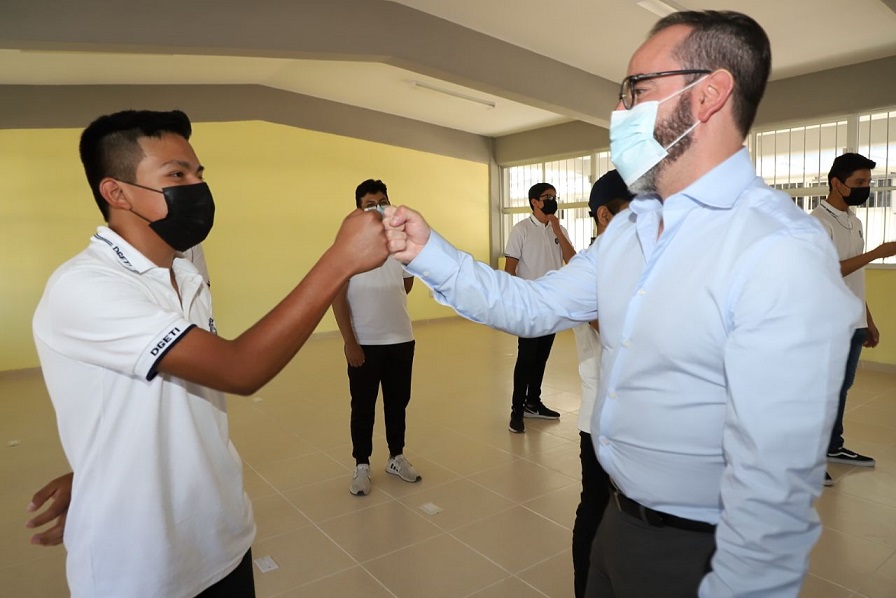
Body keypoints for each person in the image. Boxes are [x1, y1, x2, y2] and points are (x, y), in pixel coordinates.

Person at [381, 10, 861, 597]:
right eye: (620, 93)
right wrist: (427, 252)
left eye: (638, 90)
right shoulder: (629, 233)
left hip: (698, 550)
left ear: (710, 95)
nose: (619, 113)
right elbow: (529, 305)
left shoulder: (776, 249)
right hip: (616, 515)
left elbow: (777, 484)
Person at [31, 109, 388, 597]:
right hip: (141, 569)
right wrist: (339, 261)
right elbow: (239, 369)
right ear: (115, 193)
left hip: (222, 543)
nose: (196, 187)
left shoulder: (187, 275)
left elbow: (159, 394)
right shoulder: (84, 286)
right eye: (176, 174)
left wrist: (102, 465)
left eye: (199, 174)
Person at [810, 153, 896, 485]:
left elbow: (853, 278)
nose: (865, 188)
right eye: (859, 183)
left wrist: (867, 320)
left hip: (853, 322)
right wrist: (877, 253)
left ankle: (833, 446)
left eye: (868, 183)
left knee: (841, 389)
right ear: (837, 183)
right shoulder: (817, 222)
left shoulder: (855, 221)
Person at [332, 179, 421, 496]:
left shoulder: (400, 243)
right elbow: (337, 297)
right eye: (370, 203)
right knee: (363, 406)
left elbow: (406, 284)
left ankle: (396, 457)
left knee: (398, 403)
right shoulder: (346, 246)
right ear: (359, 210)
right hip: (364, 343)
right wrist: (350, 342)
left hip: (400, 338)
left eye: (383, 201)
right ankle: (361, 465)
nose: (378, 207)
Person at [571, 170, 632, 598]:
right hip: (602, 421)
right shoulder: (591, 269)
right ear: (605, 216)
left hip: (641, 419)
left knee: (632, 515)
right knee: (596, 508)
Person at [504, 182, 576, 433]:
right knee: (526, 358)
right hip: (529, 305)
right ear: (534, 201)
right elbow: (510, 269)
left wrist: (557, 228)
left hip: (552, 304)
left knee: (541, 357)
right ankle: (517, 411)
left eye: (555, 197)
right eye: (548, 197)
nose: (553, 201)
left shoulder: (559, 228)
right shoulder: (521, 229)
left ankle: (533, 402)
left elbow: (572, 260)